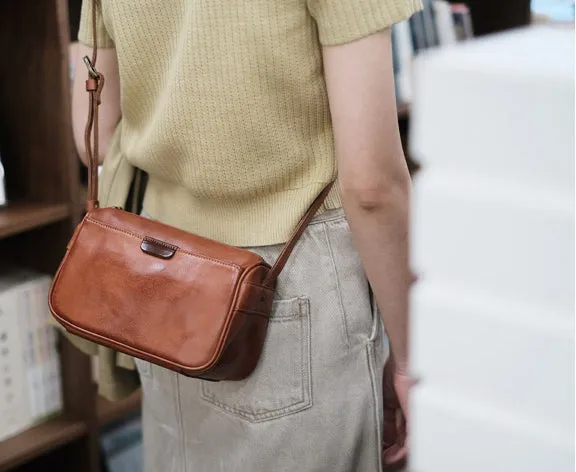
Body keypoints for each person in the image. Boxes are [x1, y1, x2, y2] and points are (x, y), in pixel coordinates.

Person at [70, 1, 421, 471]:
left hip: (155, 274)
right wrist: (409, 358)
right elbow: (372, 184)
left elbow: (93, 135)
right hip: (288, 279)